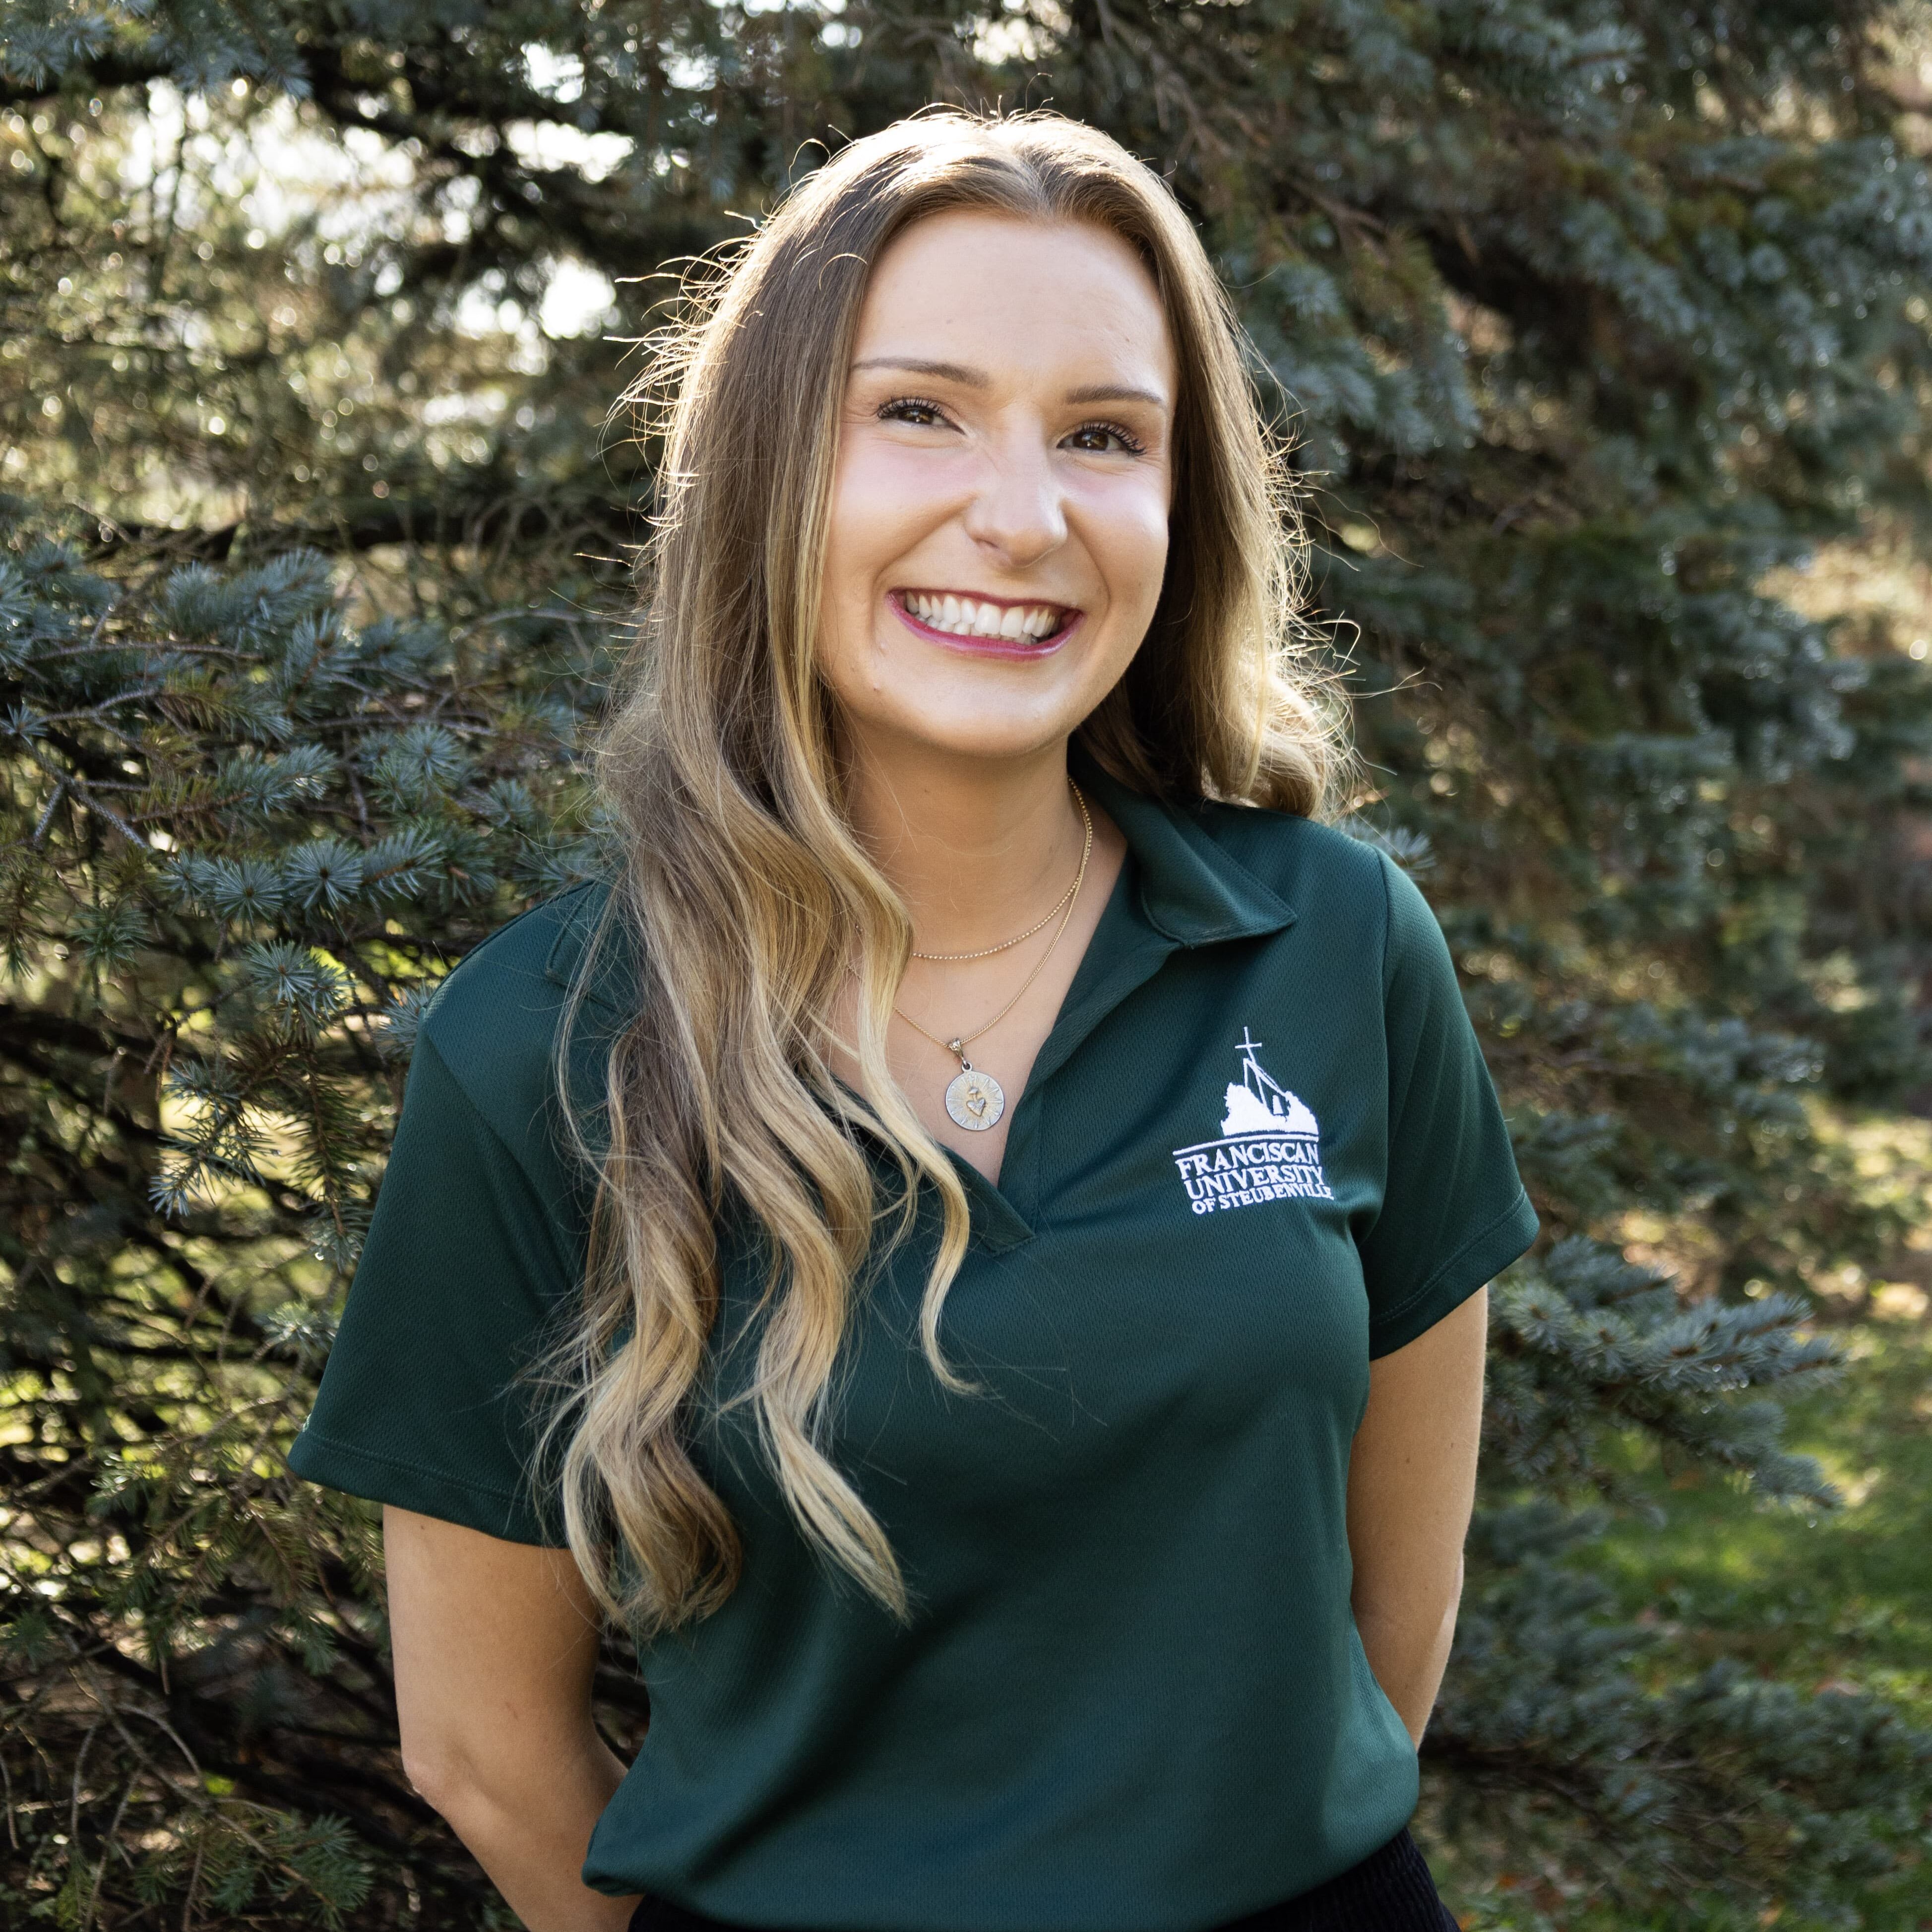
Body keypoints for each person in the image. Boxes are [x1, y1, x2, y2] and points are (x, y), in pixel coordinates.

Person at [289, 109, 1537, 1932]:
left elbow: (1389, 1628)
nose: (1022, 517)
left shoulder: (1338, 947)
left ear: (1180, 509)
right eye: (920, 412)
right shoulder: (543, 1046)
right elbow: (482, 1746)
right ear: (771, 468)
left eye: (1103, 435)